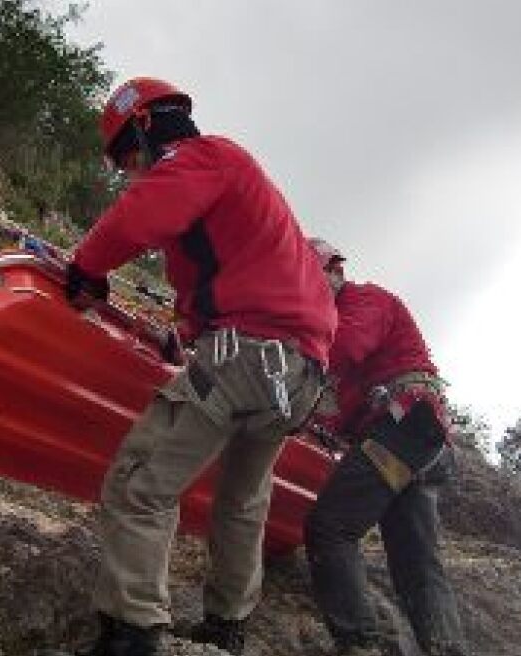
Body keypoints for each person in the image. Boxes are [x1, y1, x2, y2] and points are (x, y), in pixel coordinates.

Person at [65, 77, 337, 656]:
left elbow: (139, 218)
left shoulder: (204, 157)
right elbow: (226, 289)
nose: (130, 171)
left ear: (144, 127)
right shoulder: (241, 190)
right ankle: (226, 626)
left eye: (127, 158)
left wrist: (86, 267)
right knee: (241, 503)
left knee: (141, 483)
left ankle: (134, 631)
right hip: (298, 376)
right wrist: (184, 336)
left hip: (247, 357)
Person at [304, 238, 469, 656]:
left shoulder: (366, 301)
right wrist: (309, 421)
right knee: (418, 566)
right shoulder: (352, 323)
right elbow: (343, 416)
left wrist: (292, 349)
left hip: (405, 427)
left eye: (312, 278)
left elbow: (343, 348)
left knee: (331, 527)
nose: (307, 288)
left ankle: (359, 643)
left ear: (335, 272)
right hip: (419, 444)